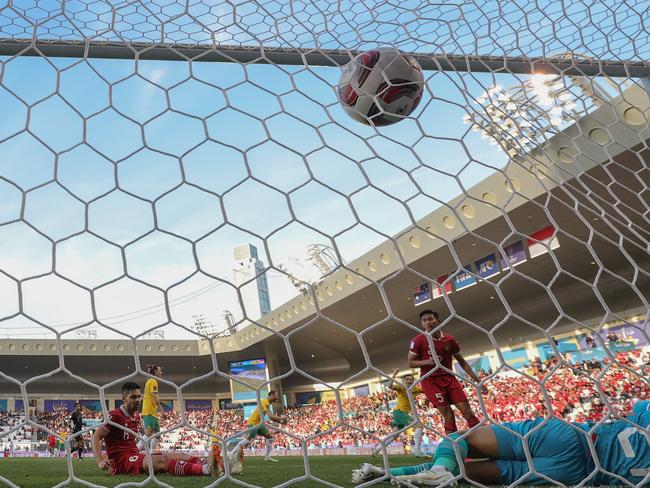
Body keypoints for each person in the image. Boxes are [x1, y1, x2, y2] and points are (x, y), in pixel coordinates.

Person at [352, 400, 650, 486]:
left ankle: (428, 470)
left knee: (458, 443)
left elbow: (637, 410)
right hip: (577, 476)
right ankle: (388, 475)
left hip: (571, 437)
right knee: (464, 474)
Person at [92, 381, 219, 477]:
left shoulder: (135, 416)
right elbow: (96, 437)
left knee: (179, 455)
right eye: (133, 397)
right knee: (163, 460)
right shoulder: (113, 416)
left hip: (135, 455)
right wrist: (100, 461)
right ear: (124, 399)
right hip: (121, 462)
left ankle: (219, 465)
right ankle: (207, 469)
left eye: (139, 397)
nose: (137, 400)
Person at [408, 309, 487, 434]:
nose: (428, 322)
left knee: (468, 412)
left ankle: (484, 441)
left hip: (449, 379)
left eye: (430, 319)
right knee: (449, 416)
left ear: (437, 321)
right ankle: (453, 448)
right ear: (422, 324)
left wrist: (478, 381)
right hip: (431, 382)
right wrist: (427, 362)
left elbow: (462, 361)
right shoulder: (418, 340)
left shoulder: (449, 340)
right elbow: (410, 363)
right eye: (424, 320)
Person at [373, 369, 425, 457]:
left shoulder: (416, 389)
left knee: (394, 435)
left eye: (411, 379)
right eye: (407, 379)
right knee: (419, 426)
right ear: (403, 381)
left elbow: (427, 391)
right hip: (399, 412)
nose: (409, 381)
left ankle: (377, 448)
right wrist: (394, 374)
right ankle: (417, 450)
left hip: (401, 414)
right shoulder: (401, 387)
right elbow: (390, 386)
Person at [228, 390, 287, 463]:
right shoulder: (264, 402)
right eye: (276, 396)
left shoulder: (267, 403)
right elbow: (271, 417)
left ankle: (267, 457)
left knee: (270, 438)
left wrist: (281, 422)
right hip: (254, 422)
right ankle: (231, 453)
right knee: (248, 440)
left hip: (259, 423)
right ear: (271, 395)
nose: (277, 397)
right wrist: (282, 418)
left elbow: (271, 417)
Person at [139, 364, 163, 452]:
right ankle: (134, 451)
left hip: (152, 411)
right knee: (148, 433)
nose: (161, 372)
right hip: (149, 410)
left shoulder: (151, 381)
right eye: (160, 370)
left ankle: (152, 452)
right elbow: (154, 396)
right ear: (156, 372)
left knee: (157, 434)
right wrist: (162, 411)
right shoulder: (153, 381)